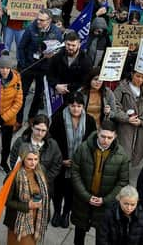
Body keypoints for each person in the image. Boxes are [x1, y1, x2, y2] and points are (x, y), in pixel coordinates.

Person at [71, 121, 130, 245]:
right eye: (103, 136)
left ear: (115, 136)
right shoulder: (83, 148)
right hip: (83, 202)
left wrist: (106, 200)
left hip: (105, 206)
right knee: (78, 236)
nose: (106, 140)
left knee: (102, 238)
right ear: (98, 133)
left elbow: (123, 182)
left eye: (109, 137)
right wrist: (86, 196)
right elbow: (75, 172)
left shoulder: (122, 156)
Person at [49, 93, 97, 229]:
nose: (76, 109)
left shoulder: (89, 120)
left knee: (72, 192)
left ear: (83, 106)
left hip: (78, 165)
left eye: (79, 106)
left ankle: (66, 214)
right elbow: (52, 141)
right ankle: (57, 212)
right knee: (58, 191)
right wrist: (61, 160)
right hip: (61, 163)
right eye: (73, 106)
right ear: (68, 105)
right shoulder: (58, 118)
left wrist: (80, 161)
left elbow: (92, 143)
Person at [16, 9, 63, 125]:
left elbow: (59, 50)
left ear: (49, 21)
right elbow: (21, 47)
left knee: (38, 94)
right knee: (22, 94)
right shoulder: (31, 28)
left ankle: (32, 117)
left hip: (44, 68)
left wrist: (53, 56)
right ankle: (18, 120)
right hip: (29, 65)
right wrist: (22, 64)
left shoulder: (56, 32)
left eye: (42, 20)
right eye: (38, 19)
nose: (38, 22)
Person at [3, 144, 51, 245]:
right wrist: (27, 205)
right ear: (23, 158)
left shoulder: (41, 171)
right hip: (18, 222)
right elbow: (6, 201)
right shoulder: (13, 176)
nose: (33, 162)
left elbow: (47, 193)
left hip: (36, 220)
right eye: (29, 159)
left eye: (36, 159)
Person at [0, 51, 23, 174]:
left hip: (8, 121)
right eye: (2, 68)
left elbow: (18, 103)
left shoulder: (17, 82)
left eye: (7, 68)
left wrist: (4, 118)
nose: (5, 70)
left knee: (6, 144)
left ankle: (3, 161)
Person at [112, 69, 143, 165]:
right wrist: (127, 118)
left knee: (135, 157)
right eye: (138, 76)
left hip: (139, 129)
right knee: (121, 156)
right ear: (132, 74)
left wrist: (141, 120)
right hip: (124, 128)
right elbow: (115, 106)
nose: (140, 80)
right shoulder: (122, 88)